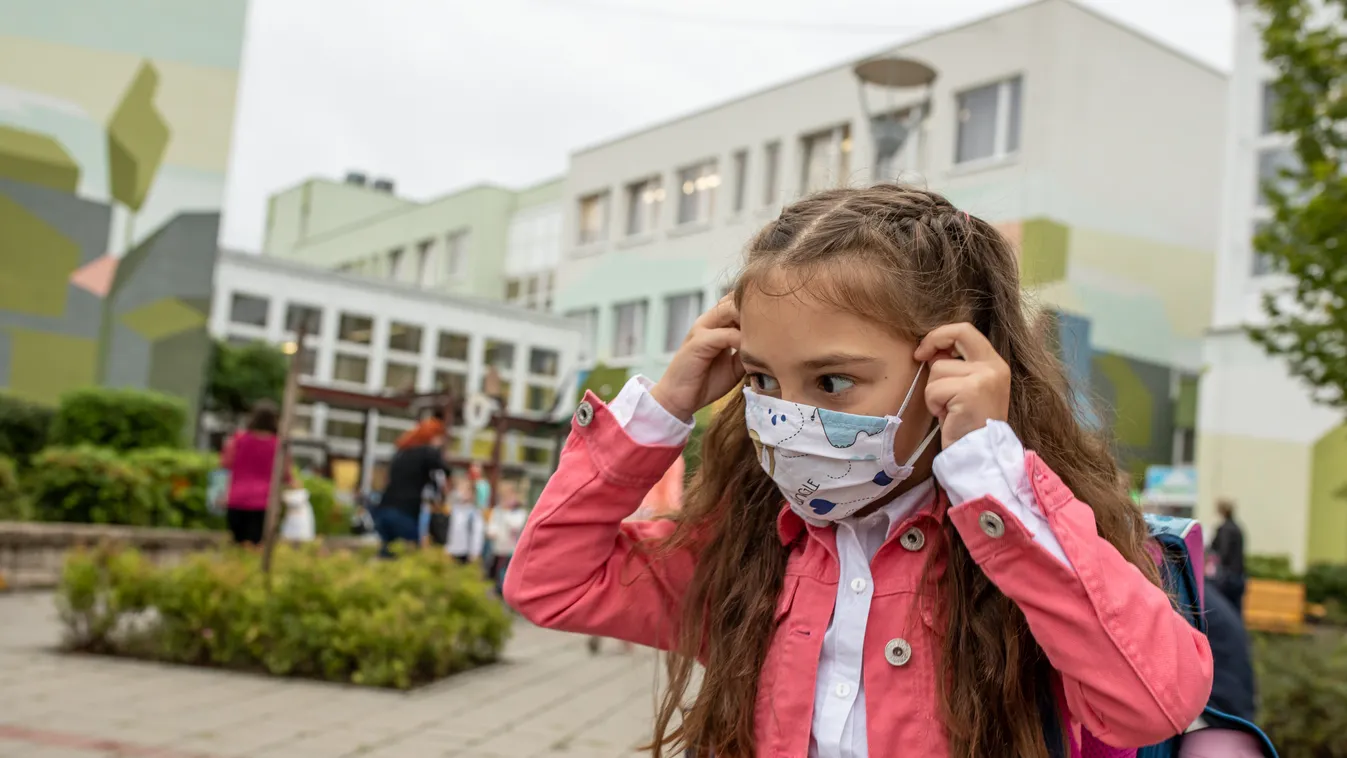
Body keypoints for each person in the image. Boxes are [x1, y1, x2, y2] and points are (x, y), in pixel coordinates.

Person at [505, 185, 1213, 757]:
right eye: (762, 380)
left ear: (951, 367)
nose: (788, 417)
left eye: (832, 382)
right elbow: (550, 582)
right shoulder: (745, 557)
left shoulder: (1028, 552)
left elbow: (1152, 701)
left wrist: (991, 476)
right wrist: (663, 408)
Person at [220, 401, 293, 545]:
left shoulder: (238, 439)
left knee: (237, 545)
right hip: (264, 501)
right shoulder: (279, 445)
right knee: (256, 548)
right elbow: (286, 475)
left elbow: (225, 463)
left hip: (237, 498)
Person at [376, 431, 448, 556]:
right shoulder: (426, 452)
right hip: (404, 512)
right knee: (409, 554)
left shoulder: (401, 453)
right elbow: (443, 469)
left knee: (387, 553)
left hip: (384, 508)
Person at [486, 481, 527, 596]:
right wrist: (491, 531)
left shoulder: (519, 512)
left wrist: (507, 513)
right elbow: (492, 524)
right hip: (498, 547)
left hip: (510, 549)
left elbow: (515, 526)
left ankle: (504, 591)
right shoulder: (497, 510)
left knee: (505, 571)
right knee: (496, 569)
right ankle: (497, 589)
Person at [1211, 499, 1247, 612]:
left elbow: (1223, 551)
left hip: (1227, 576)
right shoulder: (1237, 528)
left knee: (1225, 609)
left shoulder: (1224, 529)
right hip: (1239, 574)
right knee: (1236, 611)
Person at [447, 476, 484, 565]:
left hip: (466, 551)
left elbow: (477, 533)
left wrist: (475, 552)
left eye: (466, 491)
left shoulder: (474, 512)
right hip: (453, 549)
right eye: (460, 490)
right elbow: (451, 530)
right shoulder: (455, 509)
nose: (462, 493)